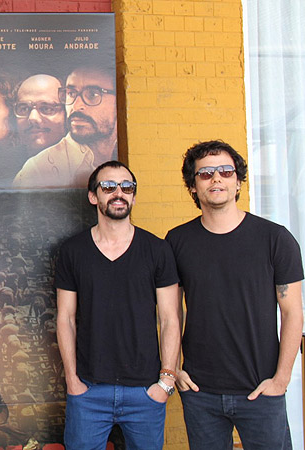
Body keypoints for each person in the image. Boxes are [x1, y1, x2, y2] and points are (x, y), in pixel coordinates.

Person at [165, 140, 304, 449]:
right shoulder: (177, 241)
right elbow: (170, 314)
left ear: (238, 182)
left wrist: (281, 379)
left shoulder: (275, 239)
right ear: (192, 187)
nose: (217, 179)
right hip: (200, 392)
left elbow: (293, 312)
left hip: (261, 389)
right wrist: (172, 368)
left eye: (226, 171)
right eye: (205, 174)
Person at [55, 160, 181, 449]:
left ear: (134, 195)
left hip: (145, 391)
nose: (119, 193)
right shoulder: (73, 251)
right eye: (108, 186)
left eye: (127, 187)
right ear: (93, 196)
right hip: (88, 391)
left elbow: (171, 319)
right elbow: (65, 318)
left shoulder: (157, 249)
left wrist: (166, 382)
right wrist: (74, 382)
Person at [14, 64, 118, 189]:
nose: (76, 105)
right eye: (71, 93)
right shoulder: (37, 170)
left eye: (92, 95)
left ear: (118, 100)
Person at [14, 74, 67, 159]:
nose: (32, 118)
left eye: (47, 109)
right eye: (24, 109)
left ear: (66, 113)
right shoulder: (1, 166)